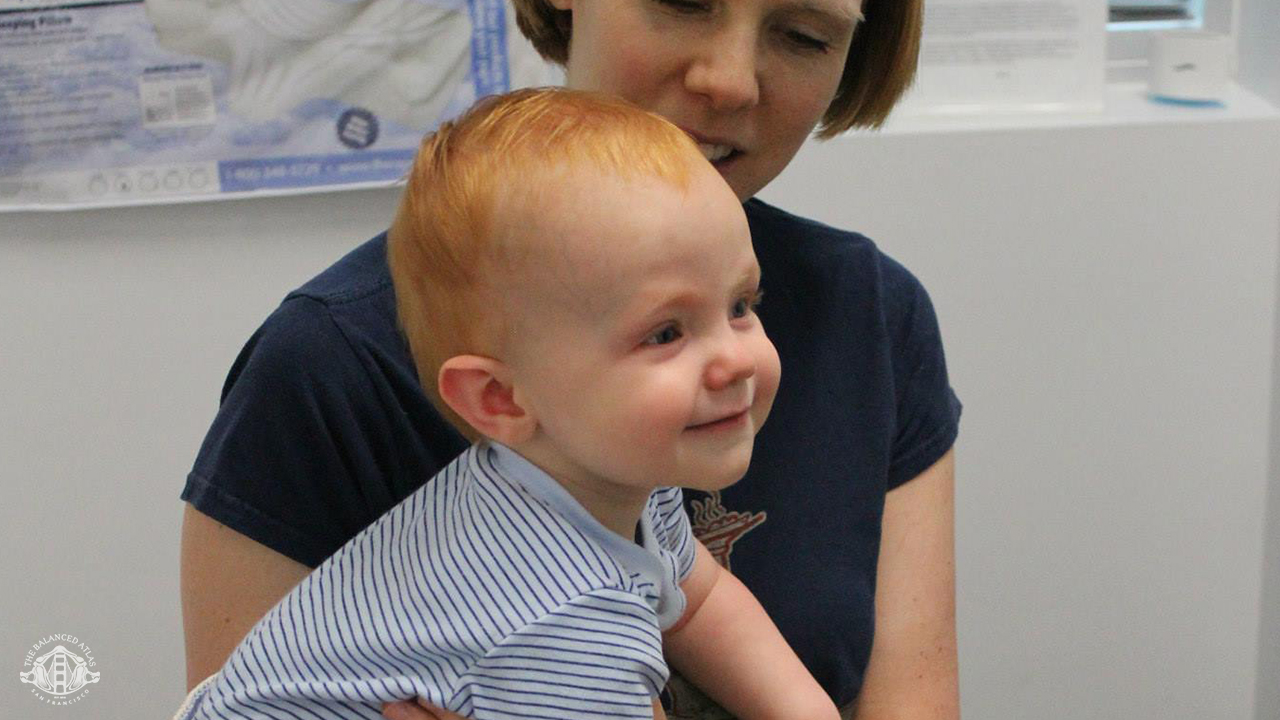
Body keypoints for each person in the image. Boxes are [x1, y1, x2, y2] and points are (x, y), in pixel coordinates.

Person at [180, 1, 962, 718]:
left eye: (803, 35)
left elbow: (694, 591)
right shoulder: (563, 616)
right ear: (496, 399)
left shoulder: (610, 471)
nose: (727, 81)